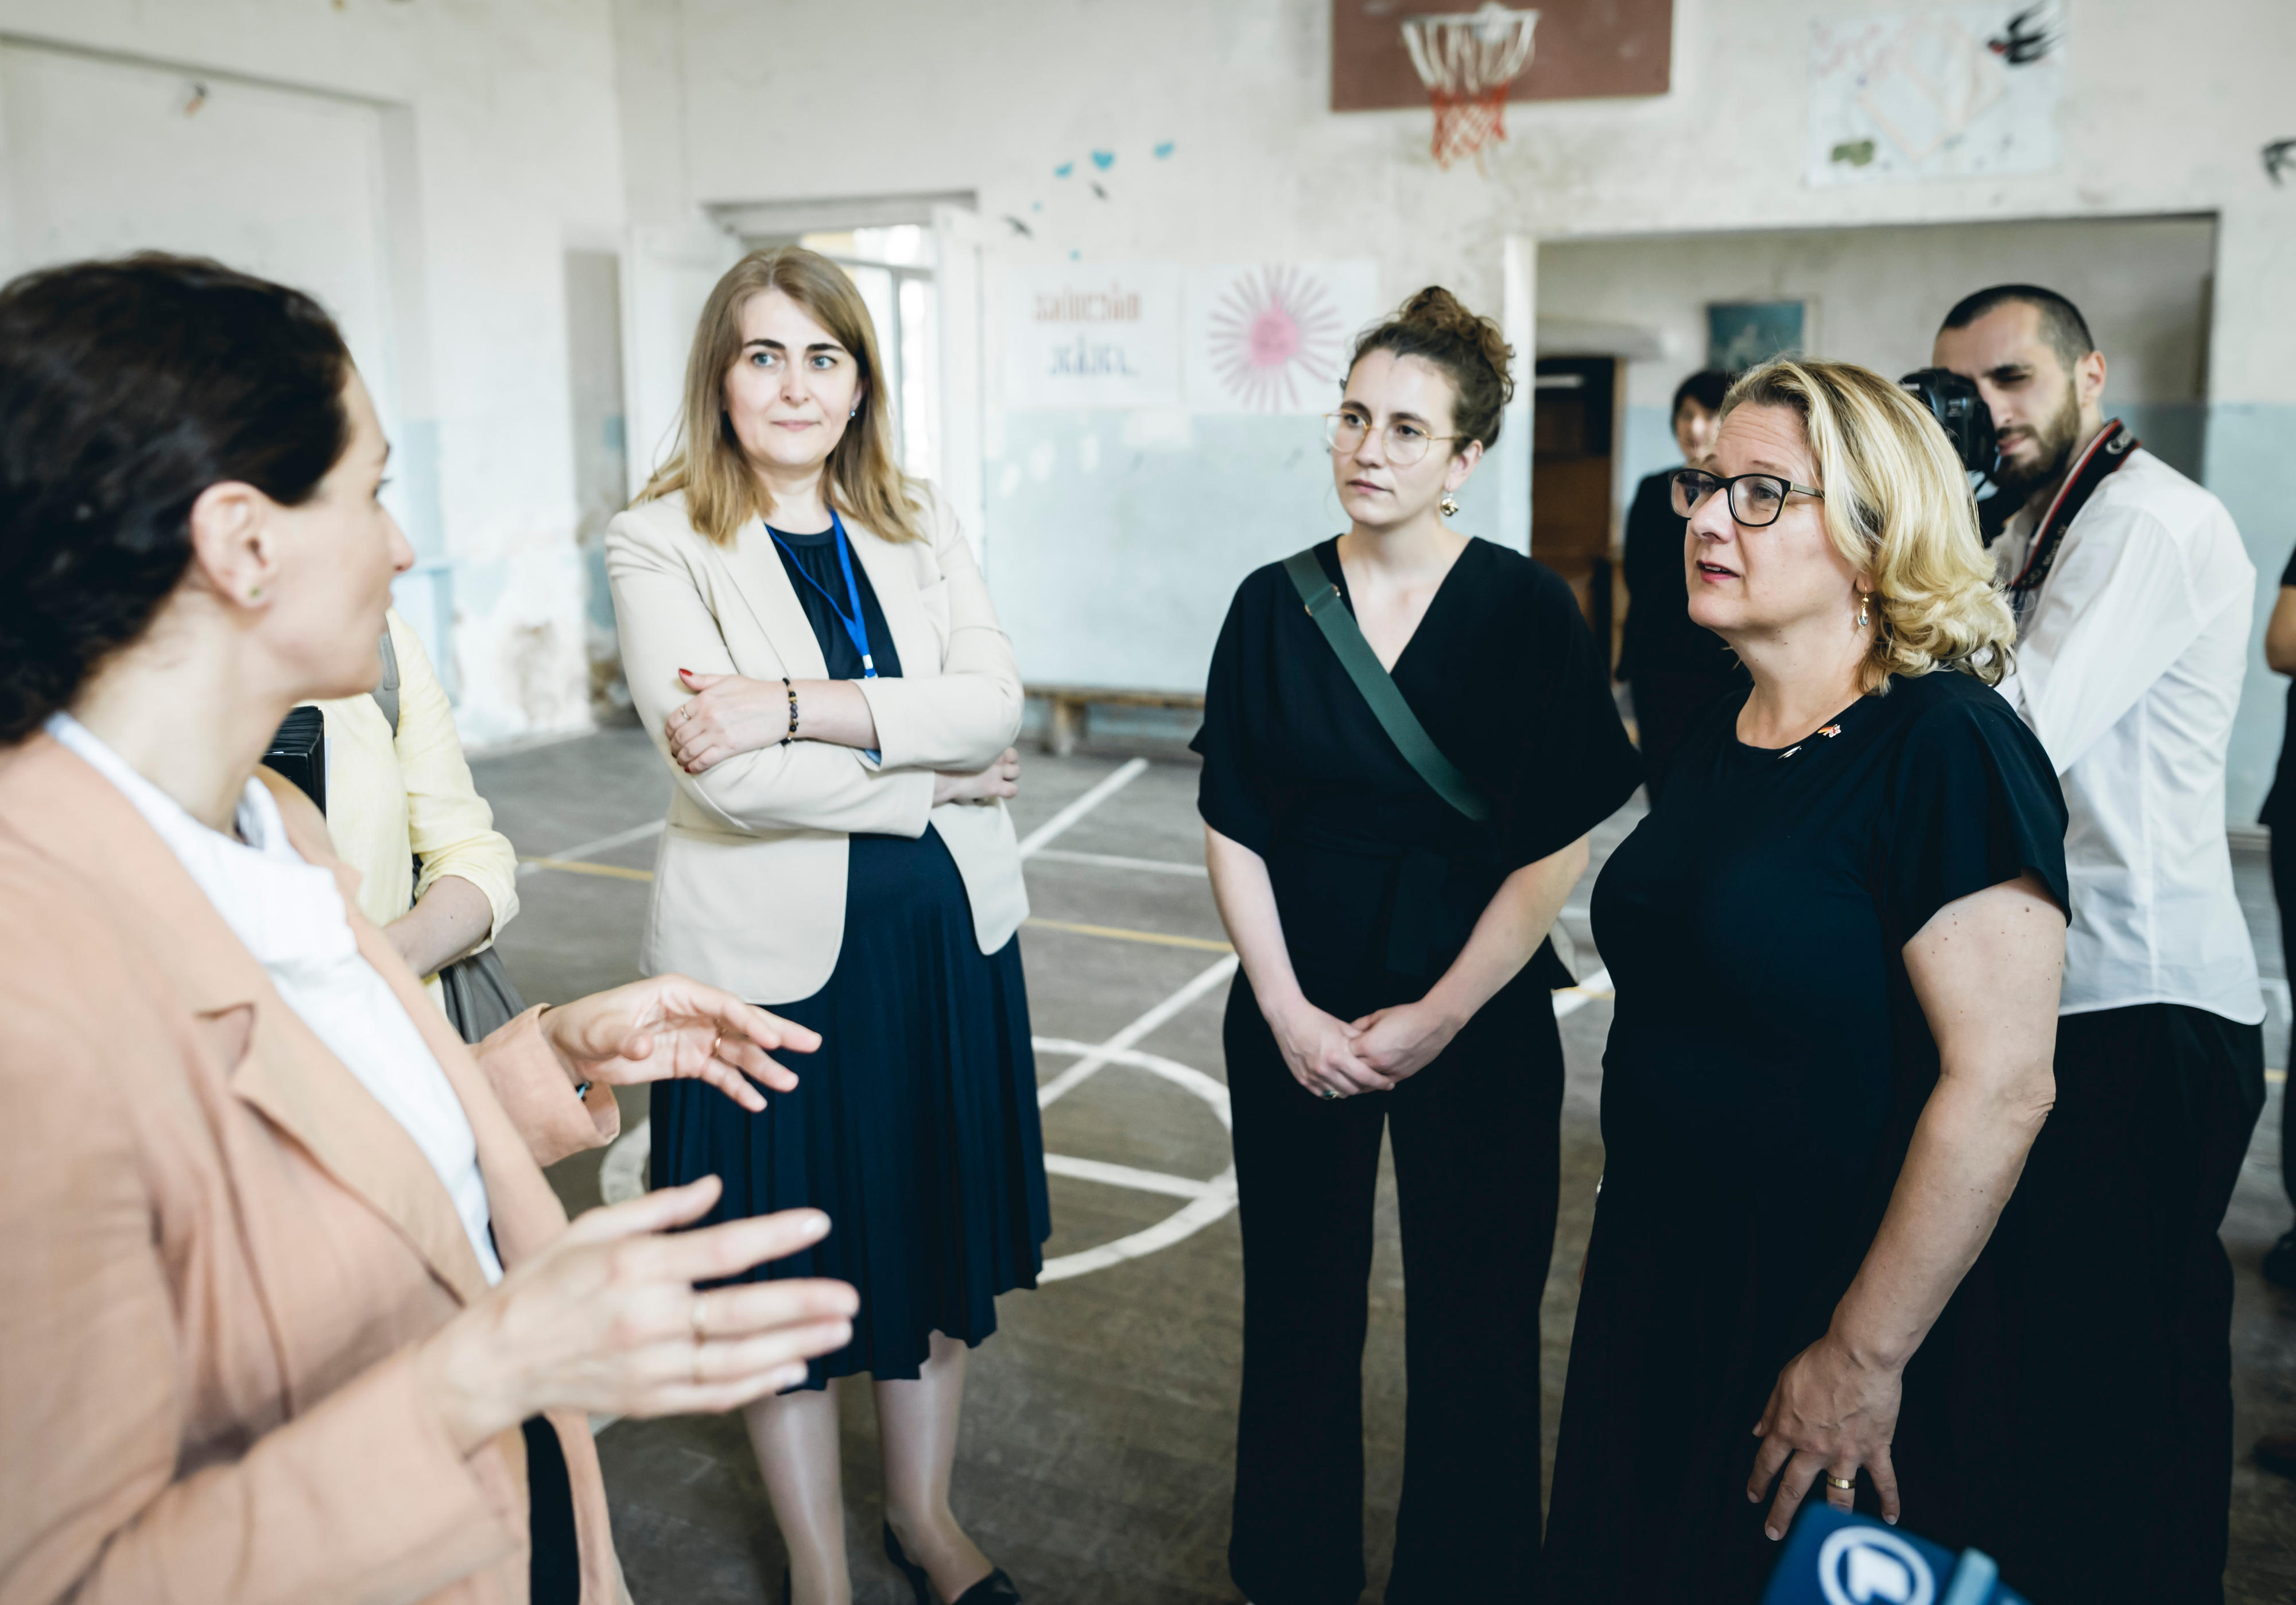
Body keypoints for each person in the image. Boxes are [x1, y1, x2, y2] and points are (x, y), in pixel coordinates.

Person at [0, 253, 861, 1605]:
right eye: (373, 490)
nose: (403, 547)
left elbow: (300, 1186)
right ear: (242, 542)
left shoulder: (274, 819)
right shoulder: (29, 997)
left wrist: (537, 1059)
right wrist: (496, 1368)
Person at [1541, 359, 2069, 1603]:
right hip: (1663, 1274)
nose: (1709, 518)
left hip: (1824, 1302)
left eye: (1763, 493)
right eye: (1704, 486)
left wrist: (1857, 1354)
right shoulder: (1721, 730)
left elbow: (2000, 1087)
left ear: (1875, 533)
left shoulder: (1943, 743)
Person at [606, 246, 1042, 1605]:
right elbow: (719, 778)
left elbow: (995, 704)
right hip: (765, 970)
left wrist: (794, 702)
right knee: (779, 1268)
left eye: (824, 355)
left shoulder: (916, 516)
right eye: (762, 354)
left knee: (927, 1242)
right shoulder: (656, 535)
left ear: (860, 379)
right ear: (719, 379)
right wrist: (930, 770)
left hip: (941, 949)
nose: (795, 385)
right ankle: (814, 1564)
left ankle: (921, 1513)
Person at [1195, 286, 1642, 1605]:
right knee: (1296, 1313)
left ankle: (1468, 1577)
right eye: (1350, 416)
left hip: (1479, 1000)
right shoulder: (1272, 605)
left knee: (1478, 1324)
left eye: (1404, 427)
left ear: (1463, 458)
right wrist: (1280, 1004)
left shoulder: (1524, 610)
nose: (1366, 447)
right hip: (1297, 994)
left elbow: (1549, 843)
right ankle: (1292, 1572)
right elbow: (1232, 818)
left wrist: (1443, 1011)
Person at [1932, 284, 2263, 1602]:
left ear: (2087, 374)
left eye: (2012, 381)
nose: (1989, 414)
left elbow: (2010, 731)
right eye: (1962, 391)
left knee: (2133, 1382)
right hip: (2049, 992)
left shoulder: (2147, 521)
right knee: (2044, 1366)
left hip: (2143, 1002)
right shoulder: (2017, 525)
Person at [311, 607, 522, 1032]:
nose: (403, 555)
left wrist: (388, 962)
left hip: (406, 1035)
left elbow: (470, 852)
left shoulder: (379, 637)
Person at [1615, 367, 1746, 797]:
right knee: (1664, 773)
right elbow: (1637, 571)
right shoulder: (1656, 488)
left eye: (1709, 415)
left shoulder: (1743, 497)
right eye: (1686, 415)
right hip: (1661, 658)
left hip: (1724, 659)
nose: (1695, 427)